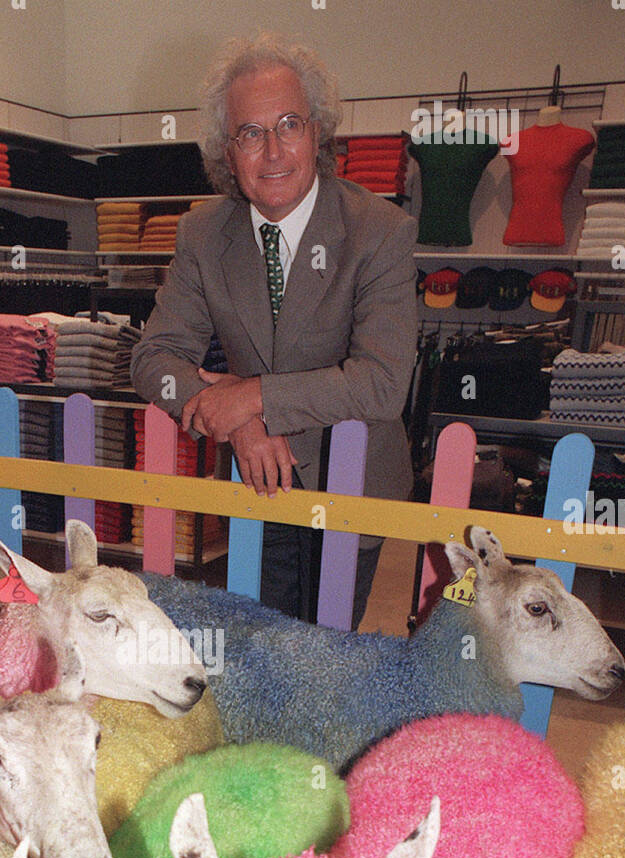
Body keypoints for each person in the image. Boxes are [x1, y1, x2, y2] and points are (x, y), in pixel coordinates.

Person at [130, 33, 417, 624]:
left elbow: (383, 383)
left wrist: (254, 397)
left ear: (317, 132)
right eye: (250, 133)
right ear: (227, 152)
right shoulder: (204, 234)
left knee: (326, 663)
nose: (274, 151)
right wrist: (238, 419)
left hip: (352, 490)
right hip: (258, 486)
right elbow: (152, 360)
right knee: (260, 655)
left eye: (289, 124)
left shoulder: (379, 230)